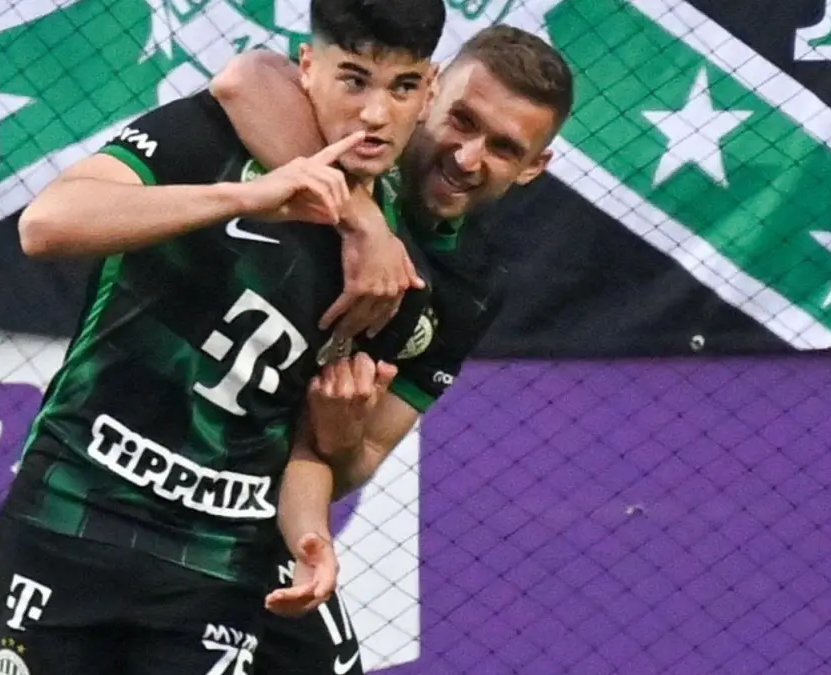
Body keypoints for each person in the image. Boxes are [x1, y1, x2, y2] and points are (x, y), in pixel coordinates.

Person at [0, 0, 448, 674]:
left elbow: (304, 444)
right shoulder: (216, 135)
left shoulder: (392, 270)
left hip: (214, 562)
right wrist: (245, 198)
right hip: (70, 512)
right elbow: (46, 224)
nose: (375, 114)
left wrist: (310, 534)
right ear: (307, 67)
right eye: (353, 80)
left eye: (403, 87)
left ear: (430, 90)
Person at [207, 23, 575, 675]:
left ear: (533, 167)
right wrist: (365, 225)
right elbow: (245, 78)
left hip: (263, 507)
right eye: (462, 120)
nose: (467, 158)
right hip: (137, 452)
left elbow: (360, 458)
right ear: (429, 93)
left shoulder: (472, 288)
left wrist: (339, 432)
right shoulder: (353, 139)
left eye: (503, 147)